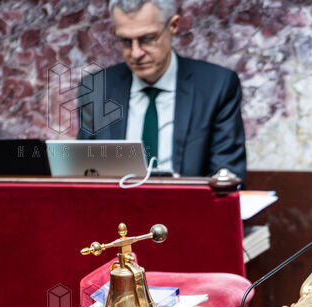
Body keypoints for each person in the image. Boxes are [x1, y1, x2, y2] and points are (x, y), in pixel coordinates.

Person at [76, 0, 247, 181]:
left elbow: (228, 177)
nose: (136, 53)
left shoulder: (216, 86)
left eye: (148, 39)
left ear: (173, 26)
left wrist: (182, 190)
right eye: (126, 41)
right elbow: (84, 172)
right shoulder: (96, 89)